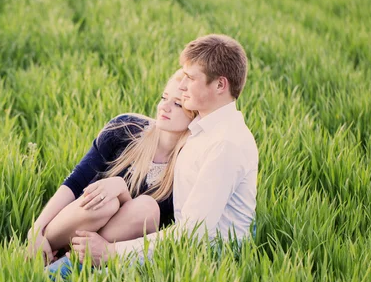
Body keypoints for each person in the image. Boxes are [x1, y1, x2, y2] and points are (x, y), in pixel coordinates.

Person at [70, 34, 259, 265]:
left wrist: (112, 252)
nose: (182, 85)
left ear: (220, 85)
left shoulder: (224, 145)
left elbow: (193, 234)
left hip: (207, 261)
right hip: (178, 246)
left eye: (190, 78)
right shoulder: (203, 129)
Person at [26, 70, 198, 264]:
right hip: (74, 223)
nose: (164, 107)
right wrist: (36, 230)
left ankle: (65, 266)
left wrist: (122, 191)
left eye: (177, 104)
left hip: (113, 250)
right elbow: (75, 182)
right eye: (164, 97)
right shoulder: (125, 127)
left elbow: (159, 228)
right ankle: (38, 252)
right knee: (106, 202)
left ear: (196, 114)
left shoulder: (189, 165)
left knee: (145, 207)